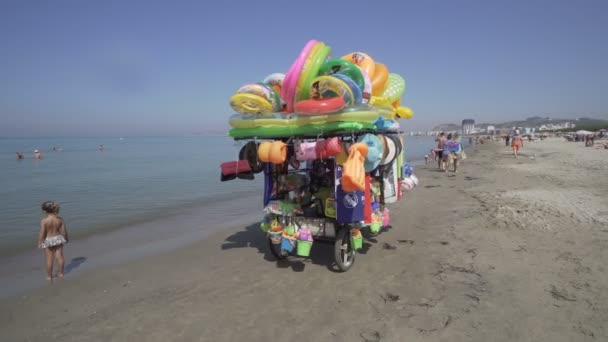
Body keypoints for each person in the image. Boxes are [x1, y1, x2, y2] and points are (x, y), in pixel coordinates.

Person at [37, 201, 68, 281]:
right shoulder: (60, 219)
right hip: (58, 239)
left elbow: (42, 233)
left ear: (44, 211)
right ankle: (61, 273)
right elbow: (64, 231)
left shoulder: (44, 221)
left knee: (49, 259)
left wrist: (40, 242)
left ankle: (49, 276)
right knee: (60, 257)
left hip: (49, 240)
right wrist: (66, 238)